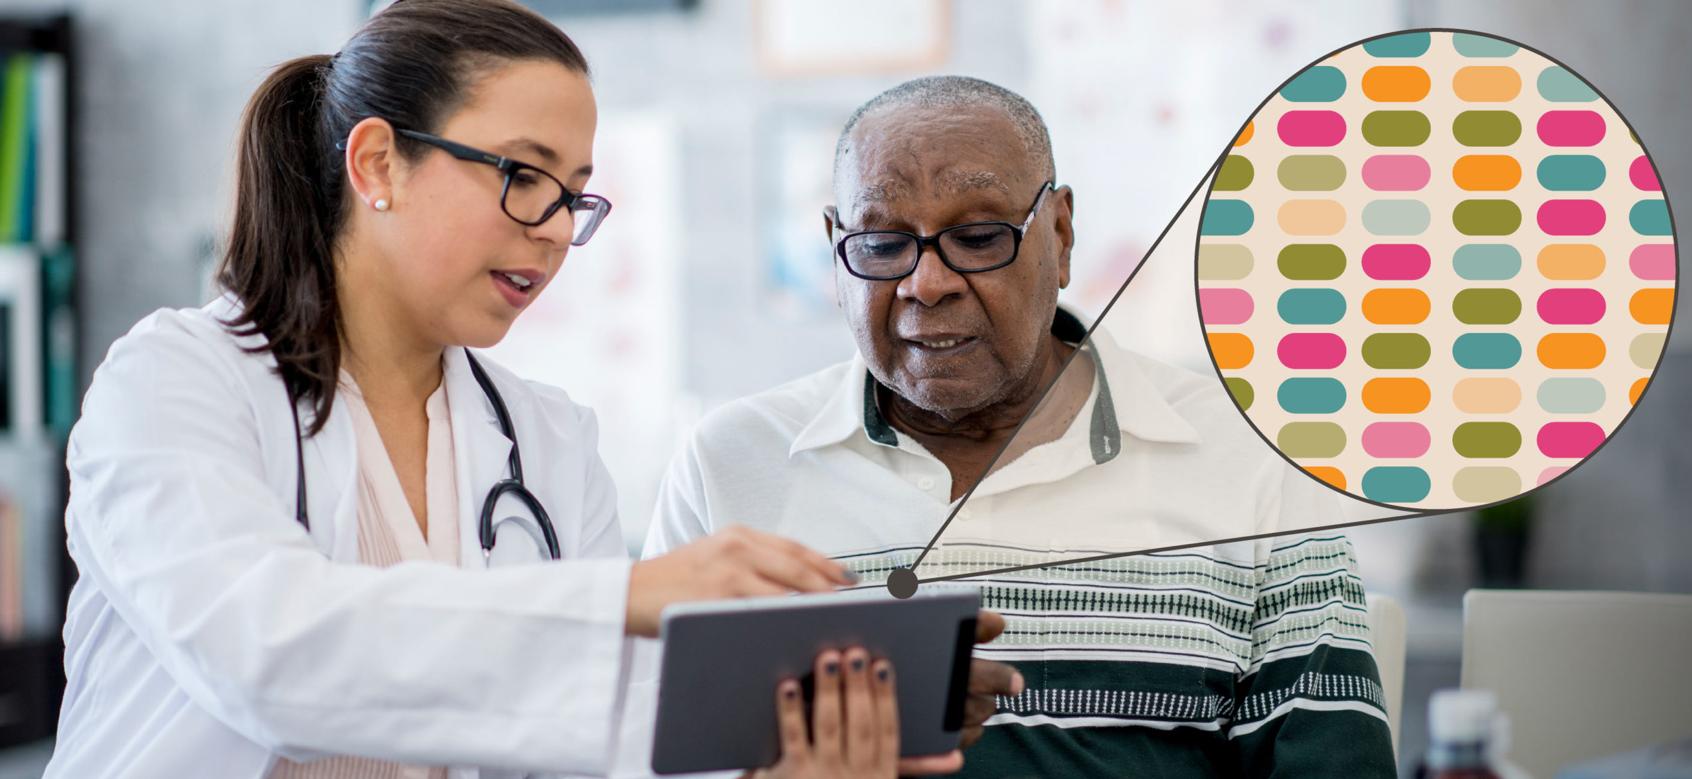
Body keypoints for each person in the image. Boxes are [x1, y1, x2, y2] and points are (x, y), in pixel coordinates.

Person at [46, 3, 961, 777]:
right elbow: (263, 652)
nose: (556, 229)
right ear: (376, 165)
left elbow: (611, 722)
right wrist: (626, 597)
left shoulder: (546, 438)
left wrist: (831, 701)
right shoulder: (174, 381)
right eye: (524, 177)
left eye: (574, 195)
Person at [645, 76, 1398, 777]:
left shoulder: (1249, 465)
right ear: (836, 250)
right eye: (880, 244)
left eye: (977, 237)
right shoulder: (730, 465)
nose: (925, 283)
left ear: (1060, 236)